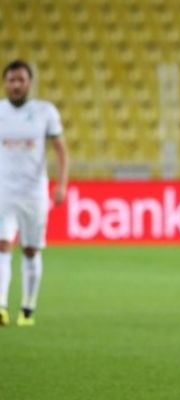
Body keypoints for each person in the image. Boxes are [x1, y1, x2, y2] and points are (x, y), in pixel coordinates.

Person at [0, 60, 69, 327]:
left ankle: (27, 308)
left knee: (30, 249)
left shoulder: (44, 112)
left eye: (21, 80)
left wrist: (61, 184)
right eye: (11, 80)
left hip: (33, 193)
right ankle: (1, 305)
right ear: (5, 83)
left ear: (29, 83)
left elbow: (61, 150)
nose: (16, 85)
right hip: (4, 191)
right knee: (2, 245)